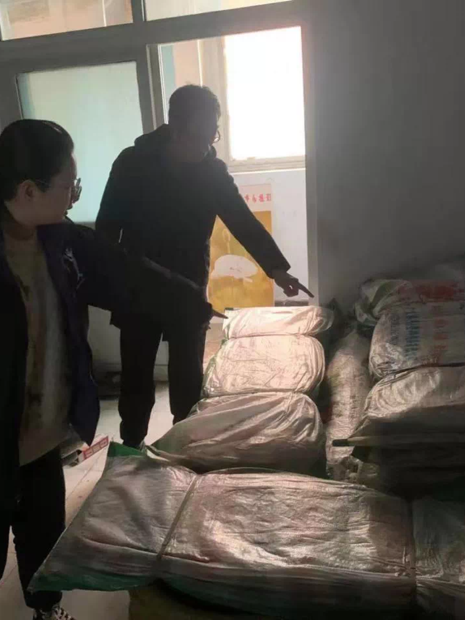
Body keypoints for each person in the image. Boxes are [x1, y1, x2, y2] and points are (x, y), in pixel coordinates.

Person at [0, 120, 213, 620]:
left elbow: (126, 273)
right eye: (69, 185)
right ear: (28, 191)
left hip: (40, 437)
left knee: (45, 544)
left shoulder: (59, 241)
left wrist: (193, 304)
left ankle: (46, 611)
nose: (75, 195)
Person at [96, 84, 311, 449]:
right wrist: (110, 276)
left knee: (187, 379)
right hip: (137, 285)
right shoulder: (132, 163)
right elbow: (107, 225)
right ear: (174, 128)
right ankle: (131, 448)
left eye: (213, 135)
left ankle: (184, 446)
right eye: (199, 137)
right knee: (136, 377)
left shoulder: (211, 171)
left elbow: (242, 220)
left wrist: (277, 269)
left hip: (188, 286)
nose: (206, 146)